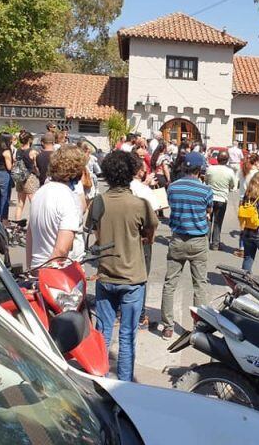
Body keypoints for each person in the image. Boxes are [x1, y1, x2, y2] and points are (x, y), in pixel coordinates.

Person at [88, 151, 157, 381]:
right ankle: (125, 385)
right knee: (127, 336)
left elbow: (95, 232)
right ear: (131, 174)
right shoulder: (140, 204)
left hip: (106, 275)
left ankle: (101, 379)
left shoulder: (99, 202)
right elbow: (150, 234)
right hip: (132, 278)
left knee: (103, 333)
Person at [160, 151, 213, 339]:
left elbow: (171, 206)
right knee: (200, 284)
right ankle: (199, 326)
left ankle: (167, 326)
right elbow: (208, 210)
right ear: (199, 169)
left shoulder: (173, 187)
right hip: (198, 240)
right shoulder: (206, 190)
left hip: (177, 239)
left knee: (170, 283)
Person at [26, 145, 85, 269]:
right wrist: (49, 274)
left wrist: (31, 270)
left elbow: (30, 236)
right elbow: (62, 250)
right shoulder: (69, 198)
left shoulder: (40, 193)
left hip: (37, 267)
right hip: (60, 274)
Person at [129, 155, 160, 330]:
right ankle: (140, 316)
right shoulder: (144, 190)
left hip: (122, 238)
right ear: (140, 171)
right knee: (141, 277)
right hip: (141, 238)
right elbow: (153, 215)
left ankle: (121, 312)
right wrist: (151, 237)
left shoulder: (121, 187)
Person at [205, 150, 236, 251]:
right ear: (227, 161)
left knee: (208, 220)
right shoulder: (230, 171)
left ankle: (205, 242)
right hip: (222, 199)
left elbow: (206, 181)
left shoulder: (210, 169)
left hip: (209, 197)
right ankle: (215, 244)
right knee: (218, 222)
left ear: (217, 159)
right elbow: (233, 186)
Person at [13, 131, 39, 222]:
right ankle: (34, 223)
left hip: (20, 177)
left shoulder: (18, 151)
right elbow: (35, 166)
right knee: (34, 202)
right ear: (29, 140)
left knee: (20, 203)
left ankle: (17, 222)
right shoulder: (32, 152)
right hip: (30, 178)